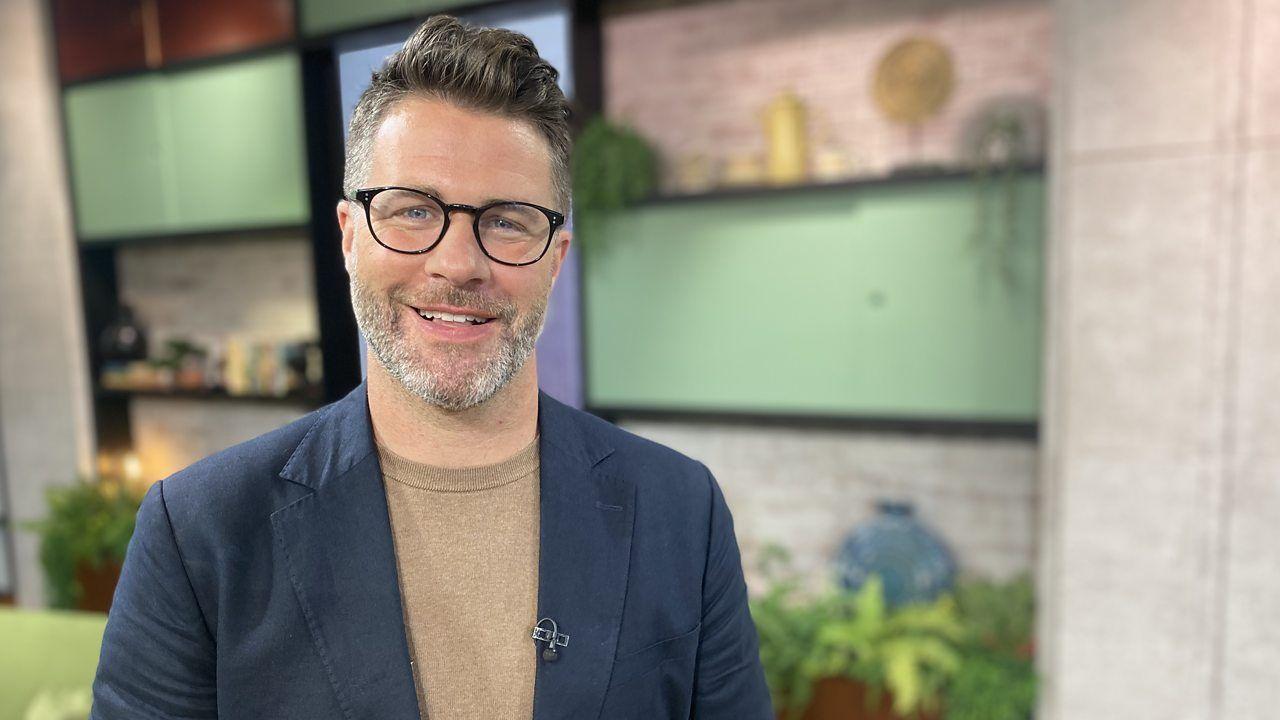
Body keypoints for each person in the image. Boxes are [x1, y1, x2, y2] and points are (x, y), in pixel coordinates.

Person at [91, 14, 772, 720]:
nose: (458, 264)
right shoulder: (200, 532)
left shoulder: (680, 511)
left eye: (507, 220)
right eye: (414, 210)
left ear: (554, 259)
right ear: (349, 237)